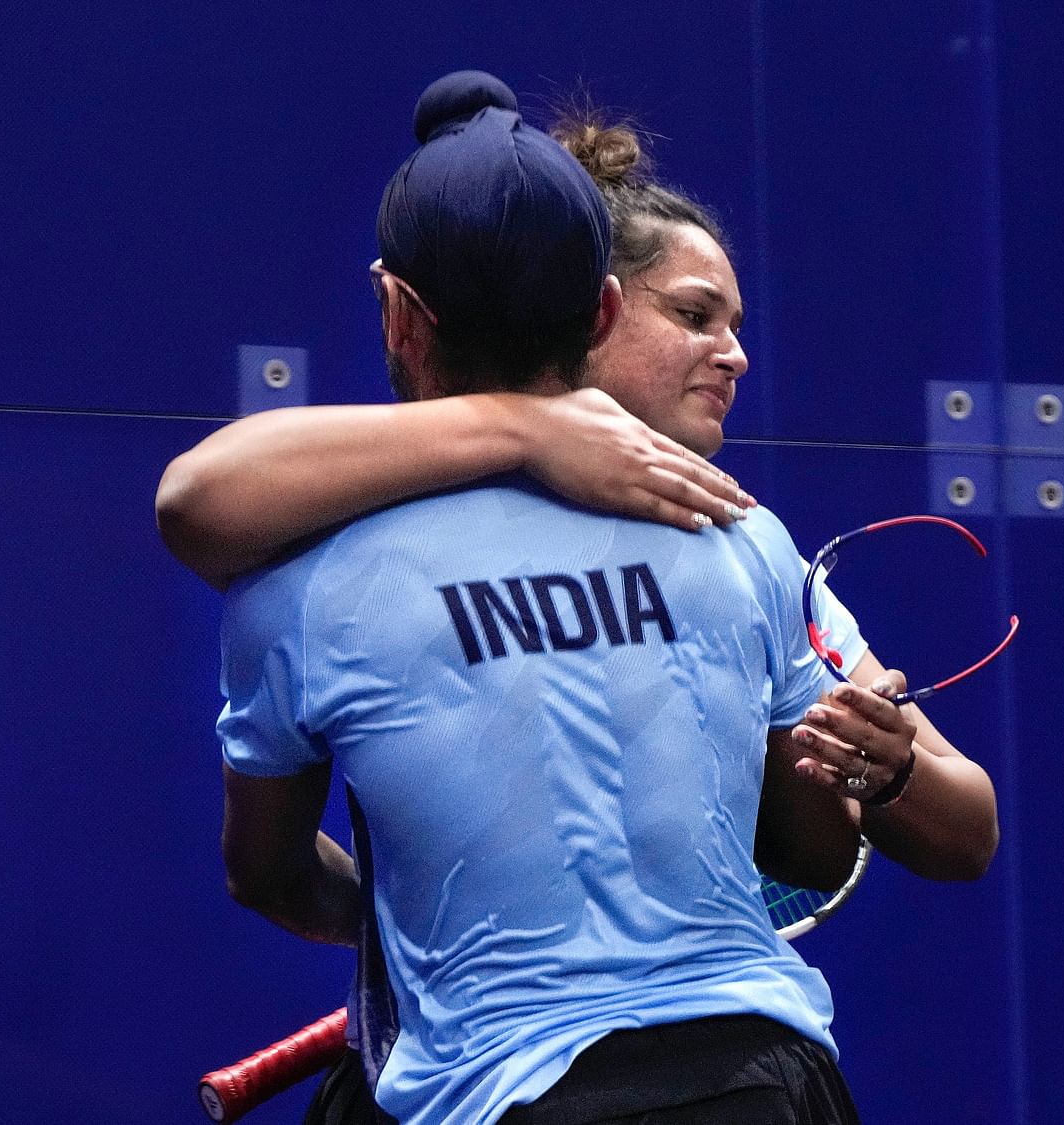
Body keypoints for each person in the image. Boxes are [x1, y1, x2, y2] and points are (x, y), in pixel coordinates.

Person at [207, 71, 872, 1124]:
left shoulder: (299, 584)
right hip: (768, 1085)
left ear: (396, 310)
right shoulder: (738, 533)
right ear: (601, 308)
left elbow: (268, 875)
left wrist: (398, 924)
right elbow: (816, 850)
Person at [160, 112, 999, 885]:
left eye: (735, 325)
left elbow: (943, 832)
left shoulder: (747, 548)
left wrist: (891, 772)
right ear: (595, 308)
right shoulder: (376, 515)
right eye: (695, 315)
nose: (735, 354)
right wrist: (534, 429)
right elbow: (200, 498)